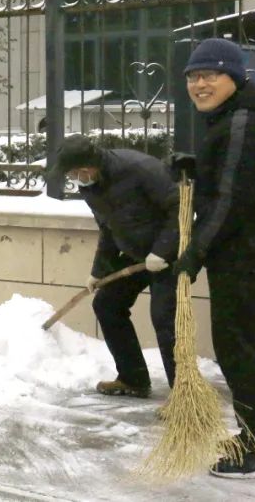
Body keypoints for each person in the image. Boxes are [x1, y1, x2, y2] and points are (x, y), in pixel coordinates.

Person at [177, 37, 255, 479]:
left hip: (248, 255)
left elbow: (231, 199)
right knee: (240, 347)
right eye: (192, 76)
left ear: (234, 77)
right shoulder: (236, 119)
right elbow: (231, 179)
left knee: (240, 350)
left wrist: (195, 252)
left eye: (210, 74)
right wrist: (196, 167)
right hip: (249, 252)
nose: (199, 83)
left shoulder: (245, 122)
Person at [53, 134, 179, 399]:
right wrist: (99, 271)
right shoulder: (90, 186)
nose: (76, 178)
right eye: (71, 174)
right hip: (137, 255)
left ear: (92, 164)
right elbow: (108, 229)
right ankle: (133, 379)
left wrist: (162, 251)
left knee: (165, 317)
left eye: (79, 172)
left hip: (170, 254)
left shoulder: (140, 169)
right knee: (107, 305)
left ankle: (184, 393)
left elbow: (179, 209)